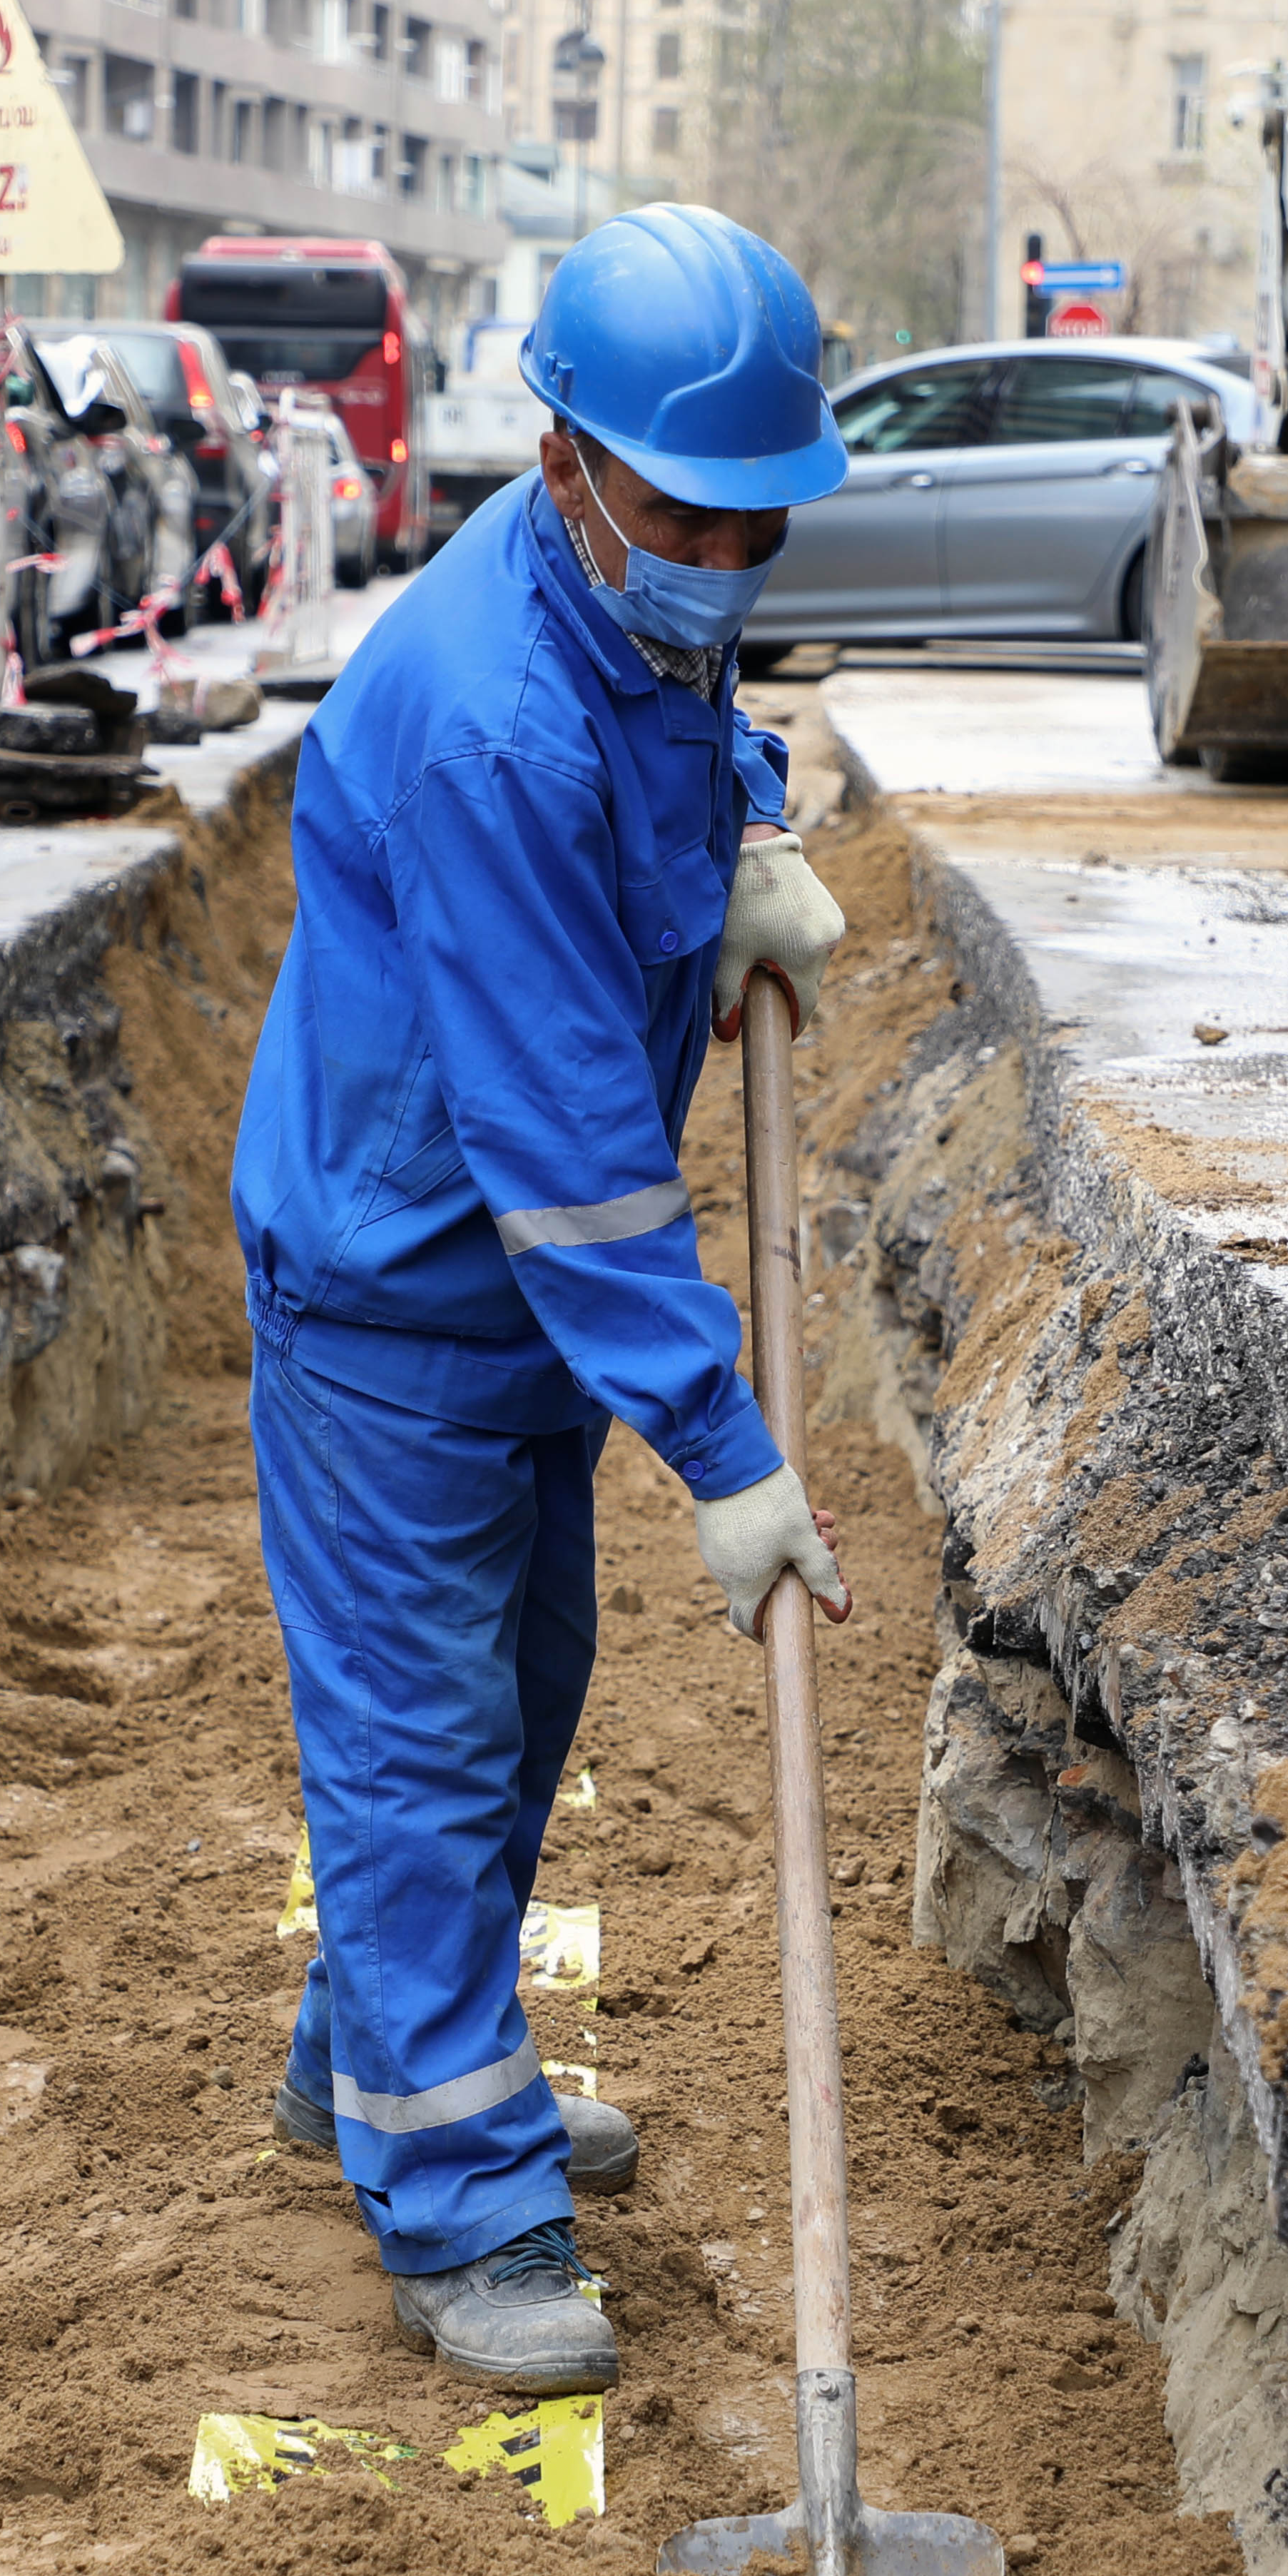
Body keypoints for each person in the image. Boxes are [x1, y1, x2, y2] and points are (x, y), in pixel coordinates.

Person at [228, 203, 857, 2398]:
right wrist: (724, 1443)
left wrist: (752, 837)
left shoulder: (625, 611)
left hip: (507, 1308)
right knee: (419, 1744)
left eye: (758, 521)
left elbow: (689, 729)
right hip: (401, 1293)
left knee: (518, 1689)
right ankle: (465, 2199)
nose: (726, 556)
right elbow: (577, 1156)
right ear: (570, 459)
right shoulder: (490, 716)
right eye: (692, 511)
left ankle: (390, 2057)